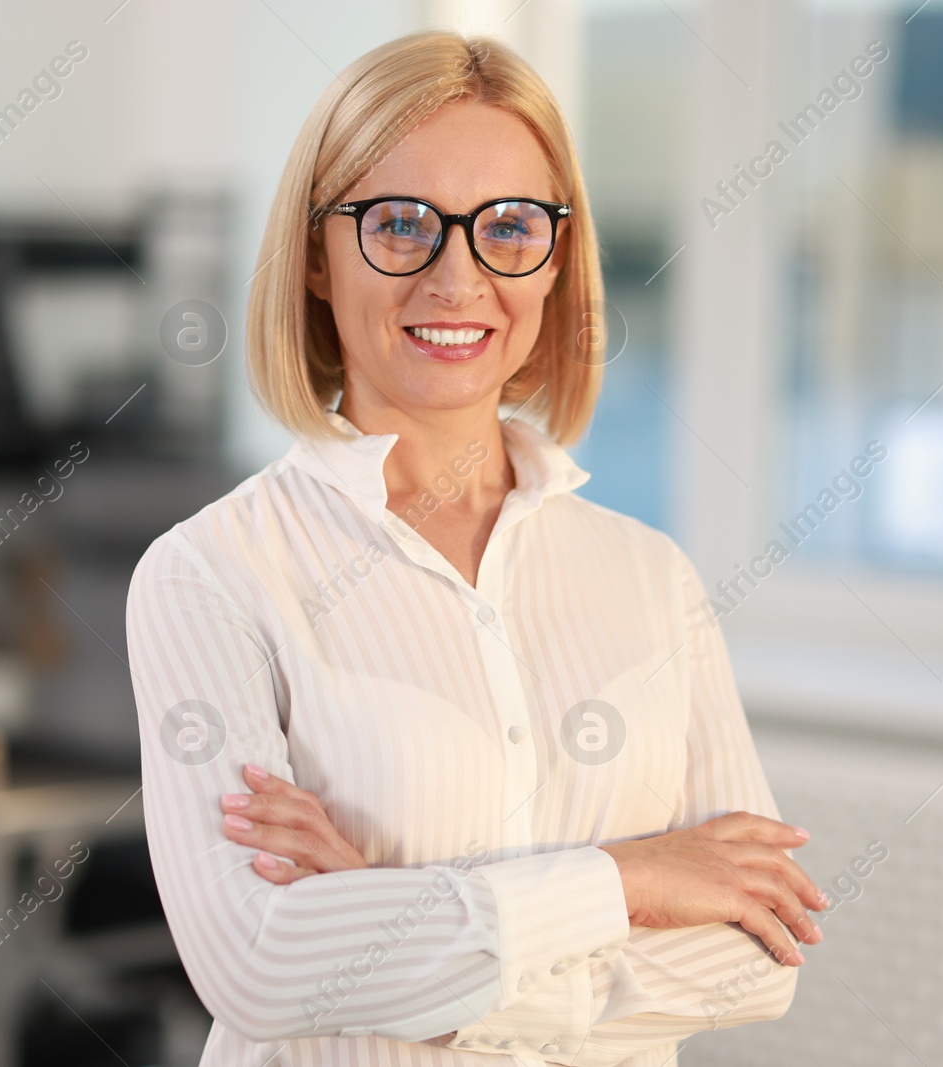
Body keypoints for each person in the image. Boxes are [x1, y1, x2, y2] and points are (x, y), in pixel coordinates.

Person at [125, 29, 827, 1067]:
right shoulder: (212, 573)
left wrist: (382, 920)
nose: (457, 278)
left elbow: (760, 957)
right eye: (400, 224)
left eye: (506, 228)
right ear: (318, 257)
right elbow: (259, 963)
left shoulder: (650, 578)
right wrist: (629, 878)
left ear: (553, 260)